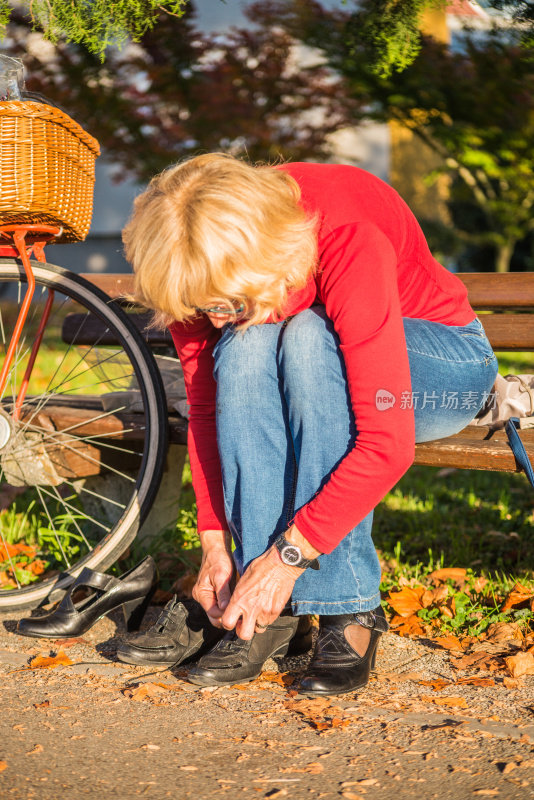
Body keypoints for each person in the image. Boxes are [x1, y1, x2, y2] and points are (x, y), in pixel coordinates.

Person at [122, 153, 498, 695]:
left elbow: (386, 444)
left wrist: (287, 558)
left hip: (442, 367)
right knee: (247, 350)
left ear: (262, 256)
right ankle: (268, 614)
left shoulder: (344, 233)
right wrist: (213, 544)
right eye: (204, 310)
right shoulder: (194, 264)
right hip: (321, 373)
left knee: (306, 339)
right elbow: (208, 411)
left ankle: (349, 607)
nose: (216, 321)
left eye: (227, 303)